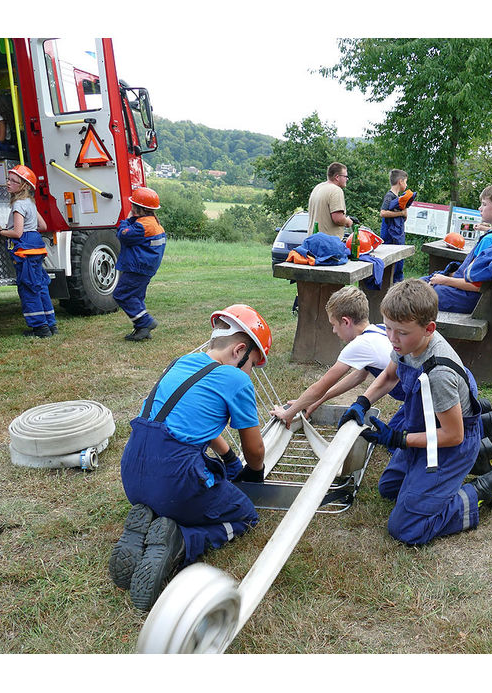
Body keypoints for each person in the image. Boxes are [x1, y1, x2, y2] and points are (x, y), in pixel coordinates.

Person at [109, 304, 271, 610]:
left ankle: (147, 524)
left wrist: (228, 459)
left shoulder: (181, 363)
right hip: (174, 480)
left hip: (132, 472)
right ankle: (181, 541)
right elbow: (256, 449)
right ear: (239, 350)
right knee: (246, 516)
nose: (251, 373)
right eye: (252, 364)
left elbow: (193, 423)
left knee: (176, 492)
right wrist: (253, 470)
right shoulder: (235, 379)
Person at [338, 279, 492, 546]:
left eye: (401, 332)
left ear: (428, 329)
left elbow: (453, 435)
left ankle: (484, 488)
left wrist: (400, 440)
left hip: (451, 443)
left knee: (406, 527)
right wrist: (361, 402)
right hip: (426, 426)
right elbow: (389, 376)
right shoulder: (405, 344)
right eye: (387, 328)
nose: (392, 339)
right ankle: (481, 454)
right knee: (389, 489)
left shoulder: (439, 374)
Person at [270, 285, 403, 428]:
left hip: (418, 396)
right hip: (413, 393)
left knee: (395, 445)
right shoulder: (378, 329)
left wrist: (287, 413)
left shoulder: (360, 344)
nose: (334, 330)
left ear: (346, 322)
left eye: (333, 325)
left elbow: (319, 387)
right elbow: (358, 376)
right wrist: (316, 401)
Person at [426, 183, 492, 313]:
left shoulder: (491, 240)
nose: (480, 208)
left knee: (418, 293)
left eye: (484, 204)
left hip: (468, 299)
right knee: (424, 284)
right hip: (477, 297)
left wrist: (446, 280)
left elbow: (477, 285)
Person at [0, 165, 56, 338]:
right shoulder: (30, 203)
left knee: (28, 288)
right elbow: (43, 226)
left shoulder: (19, 204)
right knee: (40, 286)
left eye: (13, 181)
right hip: (36, 248)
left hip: (25, 251)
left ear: (24, 186)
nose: (8, 183)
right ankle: (50, 324)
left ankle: (40, 329)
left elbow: (17, 233)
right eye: (8, 179)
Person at [113, 187, 167, 341]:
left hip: (136, 268)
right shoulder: (154, 223)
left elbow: (123, 235)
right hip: (146, 268)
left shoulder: (141, 226)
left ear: (137, 209)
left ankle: (145, 322)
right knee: (136, 297)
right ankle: (142, 330)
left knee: (121, 294)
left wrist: (126, 219)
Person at [307, 162, 358, 238]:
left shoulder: (318, 187)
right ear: (337, 177)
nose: (347, 179)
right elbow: (338, 219)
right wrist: (348, 221)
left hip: (313, 239)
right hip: (328, 242)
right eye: (345, 176)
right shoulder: (336, 190)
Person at [379, 169, 410, 282]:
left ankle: (397, 284)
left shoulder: (399, 198)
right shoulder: (389, 196)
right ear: (400, 182)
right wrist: (400, 213)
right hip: (389, 234)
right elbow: (383, 213)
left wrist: (404, 214)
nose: (406, 185)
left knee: (399, 261)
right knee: (389, 263)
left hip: (397, 235)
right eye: (405, 182)